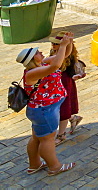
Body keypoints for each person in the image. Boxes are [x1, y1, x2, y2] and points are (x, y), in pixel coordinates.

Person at [17, 33, 76, 176]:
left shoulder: (42, 64)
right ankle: (54, 166)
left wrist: (67, 44)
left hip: (42, 111)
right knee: (47, 140)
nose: (41, 52)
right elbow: (56, 64)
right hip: (44, 112)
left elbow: (63, 57)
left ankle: (34, 165)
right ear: (32, 59)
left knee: (37, 138)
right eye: (37, 53)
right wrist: (61, 46)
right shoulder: (33, 73)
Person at [49, 34, 84, 144]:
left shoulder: (66, 56)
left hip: (64, 85)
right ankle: (73, 118)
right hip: (55, 85)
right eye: (53, 43)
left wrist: (67, 44)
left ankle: (61, 135)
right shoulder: (54, 54)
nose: (53, 45)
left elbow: (66, 55)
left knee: (63, 110)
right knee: (61, 109)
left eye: (56, 43)